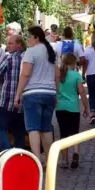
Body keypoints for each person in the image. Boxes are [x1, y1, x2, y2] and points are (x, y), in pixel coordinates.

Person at [15, 26, 59, 165]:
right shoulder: (51, 52)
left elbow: (26, 74)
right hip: (50, 93)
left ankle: (37, 161)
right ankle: (50, 160)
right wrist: (56, 92)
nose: (27, 39)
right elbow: (57, 75)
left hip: (33, 93)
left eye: (29, 37)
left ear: (36, 37)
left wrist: (17, 94)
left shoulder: (31, 52)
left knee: (33, 128)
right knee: (46, 128)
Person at [0, 33, 27, 151]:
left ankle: (7, 151)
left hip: (7, 100)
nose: (7, 46)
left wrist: (3, 83)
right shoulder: (27, 58)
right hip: (22, 101)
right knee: (19, 131)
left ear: (19, 44)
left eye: (10, 43)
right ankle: (19, 156)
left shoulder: (9, 58)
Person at [56, 53, 89, 169]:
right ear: (74, 63)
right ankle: (76, 153)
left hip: (60, 107)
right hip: (73, 108)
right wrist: (86, 107)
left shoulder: (58, 74)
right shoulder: (76, 75)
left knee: (63, 134)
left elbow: (55, 90)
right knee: (75, 132)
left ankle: (64, 160)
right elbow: (82, 92)